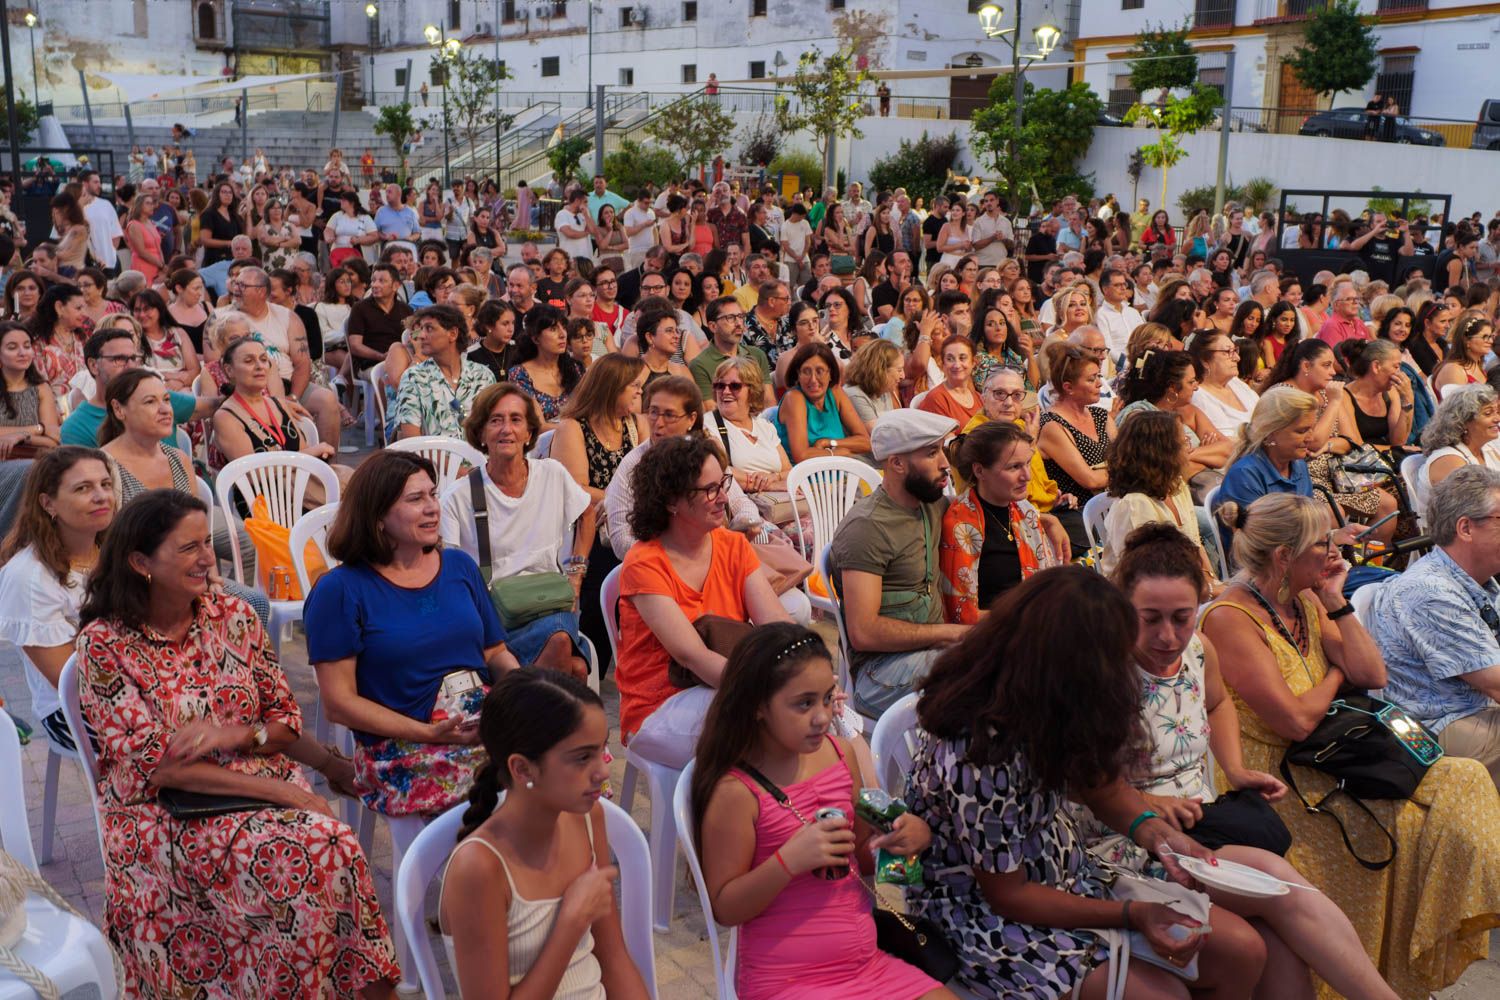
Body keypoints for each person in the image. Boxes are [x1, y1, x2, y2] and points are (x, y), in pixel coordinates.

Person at [75, 489, 400, 997]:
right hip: (159, 813)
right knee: (316, 850)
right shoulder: (106, 644)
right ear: (140, 562)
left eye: (207, 542)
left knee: (328, 850)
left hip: (254, 783)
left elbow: (284, 722)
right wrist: (288, 793)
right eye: (188, 548)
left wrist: (245, 737)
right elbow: (161, 769)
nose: (207, 558)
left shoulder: (233, 615)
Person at [910, 566, 1267, 1000]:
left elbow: (1102, 788)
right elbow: (1009, 896)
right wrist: (1133, 914)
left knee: (1242, 952)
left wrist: (1159, 836)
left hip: (1068, 872)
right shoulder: (980, 751)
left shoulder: (1050, 703)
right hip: (986, 915)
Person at [1202, 492, 1500, 997]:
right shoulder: (1230, 619)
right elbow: (1295, 720)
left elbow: (1372, 672)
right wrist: (1336, 673)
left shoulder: (1307, 599)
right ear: (1283, 557)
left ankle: (1397, 968)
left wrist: (1337, 600)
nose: (1338, 550)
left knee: (1463, 781)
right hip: (1281, 782)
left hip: (1333, 758)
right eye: (1323, 543)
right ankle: (1366, 978)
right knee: (1411, 824)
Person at [1108, 525, 1404, 1000]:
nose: (1168, 635)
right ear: (1123, 611)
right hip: (1130, 841)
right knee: (1281, 887)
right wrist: (1147, 803)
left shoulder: (1198, 650)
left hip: (1201, 821)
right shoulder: (1103, 673)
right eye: (1151, 619)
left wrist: (1236, 767)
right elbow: (1081, 785)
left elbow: (1217, 703)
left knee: (1282, 949)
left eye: (1182, 617)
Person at [690, 623, 952, 1000]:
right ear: (758, 707)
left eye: (828, 699)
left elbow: (861, 862)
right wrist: (788, 861)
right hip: (787, 978)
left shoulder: (839, 755)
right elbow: (726, 908)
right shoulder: (736, 791)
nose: (821, 716)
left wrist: (904, 841)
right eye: (804, 703)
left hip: (867, 963)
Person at [306, 451, 520, 818]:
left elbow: (495, 651)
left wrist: (521, 698)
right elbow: (339, 703)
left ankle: (553, 870)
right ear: (377, 517)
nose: (432, 508)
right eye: (415, 499)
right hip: (401, 745)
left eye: (433, 495)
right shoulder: (341, 590)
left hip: (478, 720)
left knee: (564, 755)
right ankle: (491, 871)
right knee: (504, 790)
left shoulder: (458, 566)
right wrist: (429, 734)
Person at [439, 669, 648, 999]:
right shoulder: (478, 868)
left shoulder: (587, 818)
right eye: (583, 758)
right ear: (522, 769)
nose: (604, 770)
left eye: (601, 750)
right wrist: (572, 922)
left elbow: (614, 959)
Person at [615, 434, 790, 766]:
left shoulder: (732, 546)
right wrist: (770, 690)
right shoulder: (644, 562)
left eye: (722, 482)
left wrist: (809, 672)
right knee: (775, 729)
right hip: (660, 705)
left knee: (832, 719)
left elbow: (777, 624)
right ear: (671, 502)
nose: (724, 497)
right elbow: (693, 656)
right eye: (710, 489)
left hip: (724, 684)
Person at [440, 382, 594, 677]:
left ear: (529, 433)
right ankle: (540, 711)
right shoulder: (460, 496)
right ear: (481, 433)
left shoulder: (552, 473)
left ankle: (521, 707)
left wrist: (576, 574)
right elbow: (449, 570)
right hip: (496, 617)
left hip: (551, 602)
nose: (506, 429)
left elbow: (587, 513)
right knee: (573, 666)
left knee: (560, 639)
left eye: (515, 419)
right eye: (495, 420)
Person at [1367, 466, 1500, 785]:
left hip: (1474, 709)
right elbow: (1495, 684)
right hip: (1437, 728)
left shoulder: (1478, 580)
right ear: (1466, 528)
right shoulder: (1431, 593)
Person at [829, 409, 966, 716]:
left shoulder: (930, 503)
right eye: (932, 453)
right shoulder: (868, 527)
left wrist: (1044, 519)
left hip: (930, 652)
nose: (945, 463)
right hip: (879, 673)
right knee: (984, 672)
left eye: (942, 450)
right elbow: (863, 632)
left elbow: (981, 513)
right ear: (897, 463)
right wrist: (950, 633)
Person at [0, 448, 113, 749]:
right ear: (48, 503)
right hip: (74, 710)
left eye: (105, 484)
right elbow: (74, 684)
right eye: (83, 488)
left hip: (139, 682)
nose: (102, 496)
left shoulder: (118, 550)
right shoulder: (29, 577)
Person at [939, 420, 1065, 623]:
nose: (1027, 476)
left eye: (1027, 463)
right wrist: (1025, 618)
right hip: (994, 633)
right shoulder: (961, 527)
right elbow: (961, 615)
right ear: (979, 471)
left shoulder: (1024, 511)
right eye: (1014, 467)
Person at [1101, 409, 1218, 582]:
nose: (1190, 450)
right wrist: (1207, 592)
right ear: (1163, 453)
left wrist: (1211, 581)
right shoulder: (1134, 505)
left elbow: (1195, 544)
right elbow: (1147, 577)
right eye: (1183, 442)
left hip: (1184, 584)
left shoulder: (1176, 485)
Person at [1117, 349, 1232, 501]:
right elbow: (1157, 466)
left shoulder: (1187, 410)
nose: (1196, 387)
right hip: (1165, 497)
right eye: (1191, 382)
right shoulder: (1140, 415)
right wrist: (1206, 453)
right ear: (1172, 387)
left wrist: (1188, 453)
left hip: (1204, 487)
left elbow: (1227, 451)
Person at [393, 304, 494, 440]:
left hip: (478, 459)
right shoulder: (414, 378)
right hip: (431, 459)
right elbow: (411, 440)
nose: (421, 335)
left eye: (429, 328)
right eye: (421, 329)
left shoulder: (482, 376)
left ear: (452, 334)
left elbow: (493, 429)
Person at [1038, 344, 1117, 507]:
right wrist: (1129, 472)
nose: (1099, 384)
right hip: (1077, 513)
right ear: (1069, 388)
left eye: (1099, 376)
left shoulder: (1101, 416)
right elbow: (1090, 480)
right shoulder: (1052, 425)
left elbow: (1128, 459)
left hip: (1114, 505)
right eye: (1091, 379)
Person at [775, 342, 871, 463]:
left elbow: (866, 442)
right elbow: (801, 456)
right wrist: (838, 452)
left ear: (830, 373)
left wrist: (828, 443)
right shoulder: (794, 398)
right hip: (804, 477)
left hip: (840, 473)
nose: (813, 380)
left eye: (819, 371)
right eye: (806, 371)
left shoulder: (836, 392)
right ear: (798, 374)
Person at [1418, 384, 1500, 508]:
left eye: (1497, 412)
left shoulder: (1488, 449)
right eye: (1488, 413)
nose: (1497, 418)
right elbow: (1472, 508)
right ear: (1464, 421)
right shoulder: (1448, 460)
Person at [508, 304, 585, 428]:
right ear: (536, 338)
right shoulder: (520, 374)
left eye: (563, 327)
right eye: (553, 329)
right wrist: (576, 429)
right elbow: (537, 426)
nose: (562, 334)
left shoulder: (575, 368)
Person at [689, 296, 772, 406]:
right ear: (713, 327)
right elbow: (711, 410)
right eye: (731, 318)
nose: (738, 323)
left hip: (759, 420)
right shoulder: (700, 365)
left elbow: (769, 401)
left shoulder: (757, 355)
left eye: (740, 316)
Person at [1335, 339, 1413, 451]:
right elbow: (1355, 446)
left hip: (1385, 458)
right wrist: (1398, 450)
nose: (1399, 373)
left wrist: (1408, 398)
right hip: (1359, 463)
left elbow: (1398, 441)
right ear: (1376, 366)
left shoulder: (1390, 392)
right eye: (1396, 367)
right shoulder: (1344, 396)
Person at [1190, 331, 1261, 439]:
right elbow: (1228, 441)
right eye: (1228, 351)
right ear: (1204, 360)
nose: (1237, 358)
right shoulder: (1199, 395)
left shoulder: (1235, 382)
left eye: (1235, 350)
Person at [347, 263, 414, 372]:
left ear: (396, 286)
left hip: (402, 361)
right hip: (371, 364)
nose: (375, 285)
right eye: (373, 280)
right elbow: (355, 346)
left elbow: (413, 337)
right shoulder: (360, 308)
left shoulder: (406, 309)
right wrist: (381, 356)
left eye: (382, 281)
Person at [133, 288, 199, 393]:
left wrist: (179, 383)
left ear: (159, 309)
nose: (141, 315)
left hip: (182, 388)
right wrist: (170, 376)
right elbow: (135, 372)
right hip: (149, 391)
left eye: (147, 309)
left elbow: (195, 370)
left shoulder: (178, 333)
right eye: (137, 310)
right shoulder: (133, 338)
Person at [916, 335, 982, 425]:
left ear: (973, 362)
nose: (957, 365)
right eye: (950, 359)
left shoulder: (979, 398)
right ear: (943, 364)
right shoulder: (936, 399)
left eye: (962, 358)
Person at [1432, 310, 1494, 401]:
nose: (1490, 341)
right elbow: (1457, 410)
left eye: (1491, 336)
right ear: (1466, 341)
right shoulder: (1454, 370)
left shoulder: (1478, 365)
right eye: (1485, 337)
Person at [841, 338, 903, 429]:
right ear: (881, 370)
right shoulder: (854, 395)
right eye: (899, 370)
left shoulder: (883, 388)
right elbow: (879, 435)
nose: (903, 376)